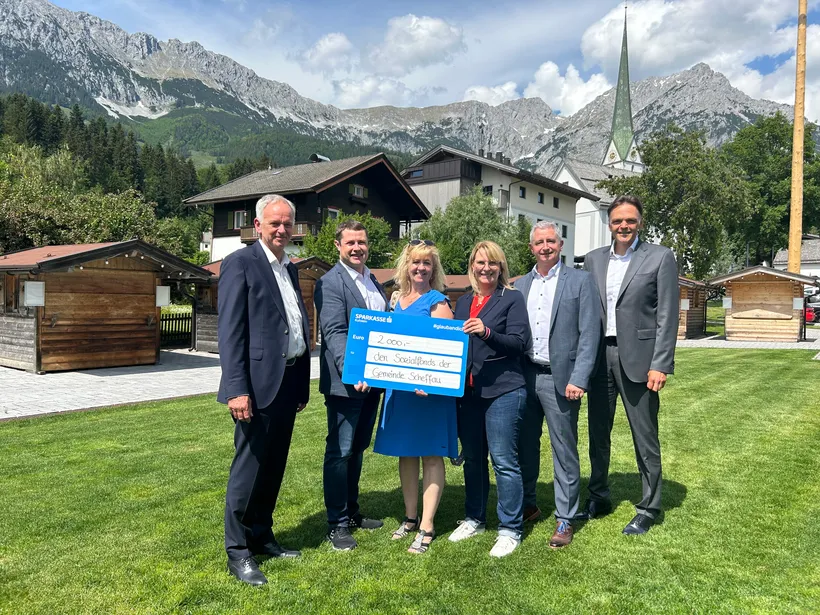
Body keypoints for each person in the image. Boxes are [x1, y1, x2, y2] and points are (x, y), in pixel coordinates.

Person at [217, 194, 311, 586]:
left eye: (287, 224)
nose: (281, 229)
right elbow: (231, 331)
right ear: (257, 226)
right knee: (249, 468)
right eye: (274, 223)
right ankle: (237, 551)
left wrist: (302, 382)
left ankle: (261, 535)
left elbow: (294, 324)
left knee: (273, 467)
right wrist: (237, 388)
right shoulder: (241, 263)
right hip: (256, 386)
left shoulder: (289, 268)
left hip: (287, 381)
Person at [582, 194, 679, 535]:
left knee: (645, 437)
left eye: (630, 220)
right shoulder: (593, 260)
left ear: (640, 222)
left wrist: (661, 364)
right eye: (617, 221)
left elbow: (668, 315)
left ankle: (649, 507)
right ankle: (598, 495)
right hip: (598, 359)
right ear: (609, 224)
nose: (623, 226)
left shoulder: (660, 257)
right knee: (598, 435)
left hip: (640, 361)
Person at [514, 221, 601, 549]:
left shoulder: (580, 281)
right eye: (540, 242)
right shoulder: (520, 285)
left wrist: (579, 378)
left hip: (561, 380)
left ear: (560, 244)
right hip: (525, 378)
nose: (546, 246)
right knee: (525, 445)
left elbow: (590, 332)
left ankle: (565, 517)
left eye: (551, 241)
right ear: (531, 247)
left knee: (564, 449)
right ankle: (528, 504)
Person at [373, 240, 458, 554]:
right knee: (406, 453)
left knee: (431, 455)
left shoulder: (438, 302)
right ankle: (410, 518)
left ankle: (427, 525)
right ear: (405, 267)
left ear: (433, 269)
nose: (420, 268)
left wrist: (433, 382)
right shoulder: (396, 300)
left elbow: (449, 349)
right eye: (415, 263)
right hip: (401, 391)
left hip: (430, 393)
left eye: (426, 264)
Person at [450, 241, 531, 558]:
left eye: (492, 263)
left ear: (501, 268)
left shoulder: (511, 299)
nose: (486, 269)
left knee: (503, 461)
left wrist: (486, 332)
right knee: (473, 459)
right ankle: (474, 518)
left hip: (504, 390)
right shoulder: (464, 301)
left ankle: (510, 528)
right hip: (469, 393)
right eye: (480, 263)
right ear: (471, 265)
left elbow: (519, 343)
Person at [315, 220, 389, 551]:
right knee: (340, 452)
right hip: (348, 385)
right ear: (338, 246)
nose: (357, 247)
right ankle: (337, 523)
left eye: (362, 242)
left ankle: (353, 511)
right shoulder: (330, 283)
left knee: (357, 449)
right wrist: (351, 370)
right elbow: (334, 332)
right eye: (351, 243)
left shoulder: (373, 281)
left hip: (373, 383)